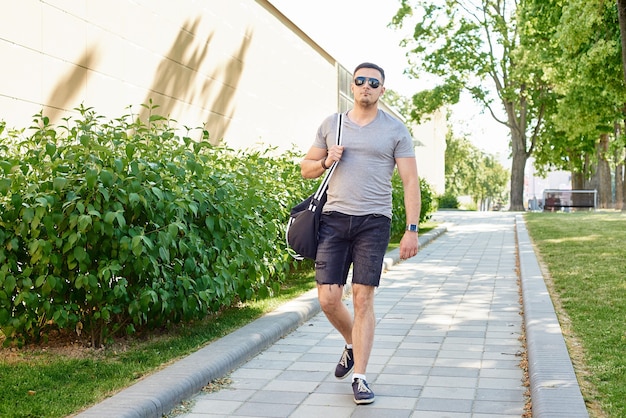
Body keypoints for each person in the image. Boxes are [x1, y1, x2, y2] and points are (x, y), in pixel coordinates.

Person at [300, 62, 421, 405]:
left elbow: (410, 182)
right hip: (334, 219)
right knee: (327, 298)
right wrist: (325, 161)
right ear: (352, 87)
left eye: (374, 82)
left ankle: (361, 377)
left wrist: (411, 229)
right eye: (360, 81)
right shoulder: (332, 125)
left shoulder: (395, 130)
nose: (366, 86)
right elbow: (306, 168)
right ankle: (351, 343)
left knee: (363, 297)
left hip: (374, 220)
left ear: (383, 90)